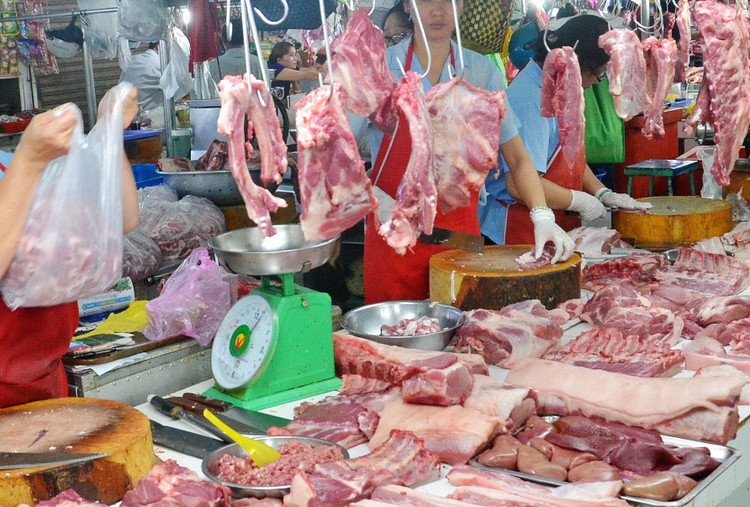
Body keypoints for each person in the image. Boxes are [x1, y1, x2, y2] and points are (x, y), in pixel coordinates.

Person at [354, 0, 573, 304]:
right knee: (397, 332)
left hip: (459, 241)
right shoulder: (377, 70)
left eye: (450, 1)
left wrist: (542, 214)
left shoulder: (481, 72)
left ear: (462, 7)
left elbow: (518, 158)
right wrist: (375, 195)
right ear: (407, 6)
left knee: (464, 329)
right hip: (394, 241)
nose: (438, 10)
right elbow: (335, 148)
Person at [0, 86, 141, 408]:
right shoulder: (23, 164)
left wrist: (108, 130)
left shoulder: (9, 165)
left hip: (45, 384)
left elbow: (123, 218)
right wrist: (30, 161)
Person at [479, 12, 651, 247]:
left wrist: (601, 192)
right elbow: (519, 184)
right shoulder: (531, 101)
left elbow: (569, 159)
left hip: (553, 221)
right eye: (598, 73)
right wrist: (577, 200)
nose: (596, 81)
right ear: (575, 62)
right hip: (517, 228)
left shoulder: (560, 88)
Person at [119, 42, 164, 112]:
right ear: (159, 46)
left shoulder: (133, 59)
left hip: (123, 112)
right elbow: (179, 86)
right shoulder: (158, 65)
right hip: (142, 114)